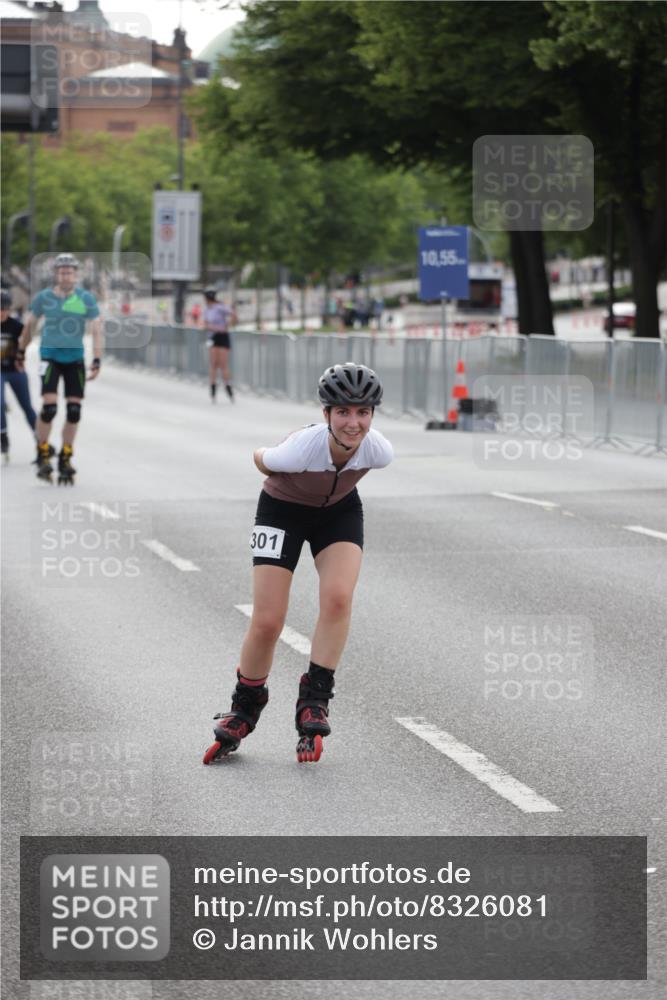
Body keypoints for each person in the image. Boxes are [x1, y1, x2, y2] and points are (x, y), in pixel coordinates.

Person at [203, 362, 393, 765]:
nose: (353, 423)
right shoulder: (302, 448)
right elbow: (261, 459)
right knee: (269, 619)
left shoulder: (380, 449)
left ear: (373, 415)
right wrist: (267, 455)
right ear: (325, 414)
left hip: (338, 513)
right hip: (281, 511)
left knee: (339, 599)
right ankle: (245, 704)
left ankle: (315, 698)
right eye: (343, 412)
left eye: (363, 412)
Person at [16, 253, 103, 485]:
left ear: (75, 275)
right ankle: (43, 451)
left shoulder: (85, 298)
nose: (66, 274)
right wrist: (21, 351)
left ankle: (66, 455)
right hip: (50, 356)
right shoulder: (44, 297)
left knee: (74, 410)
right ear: (56, 274)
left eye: (70, 271)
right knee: (49, 408)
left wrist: (96, 359)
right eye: (62, 271)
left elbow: (96, 329)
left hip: (74, 358)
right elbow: (30, 326)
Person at [1, 289, 37, 460]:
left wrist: (21, 356)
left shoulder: (15, 325)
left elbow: (28, 338)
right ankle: (3, 436)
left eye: (5, 309)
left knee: (27, 407)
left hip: (14, 370)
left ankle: (40, 440)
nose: (2, 313)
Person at [203, 286, 235, 402]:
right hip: (212, 337)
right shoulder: (207, 310)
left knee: (223, 364)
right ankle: (213, 388)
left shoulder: (220, 308)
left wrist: (226, 326)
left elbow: (233, 315)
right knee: (213, 364)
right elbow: (205, 324)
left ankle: (228, 387)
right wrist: (211, 327)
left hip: (222, 336)